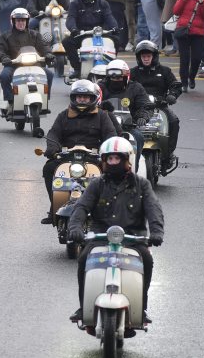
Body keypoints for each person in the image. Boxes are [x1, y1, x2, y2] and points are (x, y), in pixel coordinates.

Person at [68, 136, 164, 323]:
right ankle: (83, 307)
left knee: (147, 260)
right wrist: (75, 227)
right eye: (109, 159)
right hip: (100, 236)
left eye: (117, 158)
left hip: (133, 237)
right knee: (83, 258)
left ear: (127, 159)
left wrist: (156, 232)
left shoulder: (142, 185)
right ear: (104, 161)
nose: (113, 162)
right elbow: (81, 207)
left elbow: (154, 210)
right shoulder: (97, 184)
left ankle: (142, 308)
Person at [40, 80, 116, 224]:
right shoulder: (63, 115)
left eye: (85, 97)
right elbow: (53, 133)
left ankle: (107, 209)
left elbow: (110, 135)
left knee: (110, 171)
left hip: (94, 157)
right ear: (73, 98)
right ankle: (54, 206)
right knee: (49, 167)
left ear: (92, 98)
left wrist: (107, 152)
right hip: (67, 156)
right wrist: (52, 148)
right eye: (79, 97)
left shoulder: (102, 116)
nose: (82, 100)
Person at [131, 40, 182, 170]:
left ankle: (168, 154)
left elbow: (175, 85)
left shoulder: (165, 71)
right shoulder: (133, 73)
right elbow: (124, 86)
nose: (146, 59)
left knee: (174, 122)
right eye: (143, 56)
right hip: (138, 107)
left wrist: (172, 95)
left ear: (154, 57)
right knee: (123, 122)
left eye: (148, 56)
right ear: (139, 57)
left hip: (160, 106)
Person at [0, 7, 53, 113]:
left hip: (34, 65)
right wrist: (4, 58)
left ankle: (45, 101)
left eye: (23, 20)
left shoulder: (35, 34)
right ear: (13, 21)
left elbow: (44, 47)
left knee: (49, 74)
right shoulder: (5, 36)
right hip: (13, 65)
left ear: (27, 21)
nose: (21, 23)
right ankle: (10, 101)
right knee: (4, 76)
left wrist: (48, 54)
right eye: (18, 20)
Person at [99, 59, 153, 170]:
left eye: (119, 78)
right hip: (103, 126)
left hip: (128, 127)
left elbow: (145, 105)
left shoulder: (136, 88)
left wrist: (142, 116)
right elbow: (92, 102)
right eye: (113, 78)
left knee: (138, 137)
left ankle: (133, 169)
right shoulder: (100, 87)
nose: (115, 80)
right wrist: (100, 107)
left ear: (126, 77)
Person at [63, 0, 117, 79]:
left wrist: (114, 27)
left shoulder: (103, 3)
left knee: (116, 40)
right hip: (81, 34)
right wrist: (73, 29)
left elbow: (109, 17)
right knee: (67, 42)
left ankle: (111, 65)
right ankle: (77, 68)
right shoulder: (75, 3)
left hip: (100, 34)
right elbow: (71, 18)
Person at [172, 0, 204, 92]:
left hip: (198, 33)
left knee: (196, 58)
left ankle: (192, 77)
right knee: (184, 59)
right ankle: (184, 83)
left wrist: (202, 3)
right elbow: (176, 11)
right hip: (184, 31)